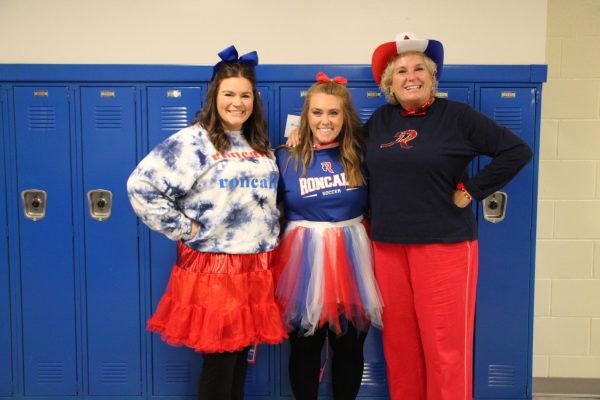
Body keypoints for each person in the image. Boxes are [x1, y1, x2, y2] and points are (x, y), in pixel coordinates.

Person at [364, 32, 533, 400]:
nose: (412, 76)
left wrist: (473, 190)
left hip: (444, 246)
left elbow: (516, 151)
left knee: (445, 348)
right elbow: (350, 162)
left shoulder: (457, 117)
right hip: (389, 248)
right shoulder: (378, 121)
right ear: (388, 83)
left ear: (432, 77)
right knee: (400, 346)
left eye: (420, 68)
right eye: (402, 71)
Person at [127, 45, 286, 400]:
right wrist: (186, 229)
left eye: (245, 95)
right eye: (229, 94)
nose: (237, 102)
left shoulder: (257, 142)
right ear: (215, 96)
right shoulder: (193, 141)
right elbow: (141, 186)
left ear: (253, 100)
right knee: (219, 361)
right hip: (216, 266)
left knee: (241, 356)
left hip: (255, 265)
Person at [274, 72, 383, 400]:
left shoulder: (361, 155)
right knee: (304, 347)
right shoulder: (285, 156)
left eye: (333, 112)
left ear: (345, 116)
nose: (325, 120)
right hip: (301, 260)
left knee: (349, 347)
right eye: (317, 112)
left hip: (352, 257)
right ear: (306, 117)